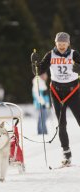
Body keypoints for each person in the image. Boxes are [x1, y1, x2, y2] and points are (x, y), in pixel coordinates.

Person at [31, 32, 80, 166]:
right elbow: (38, 71)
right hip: (57, 93)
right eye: (59, 44)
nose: (62, 46)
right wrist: (34, 62)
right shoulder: (50, 55)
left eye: (64, 44)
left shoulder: (74, 54)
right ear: (55, 43)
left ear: (68, 43)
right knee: (61, 125)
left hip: (73, 92)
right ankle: (66, 154)